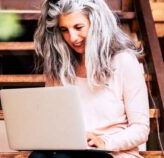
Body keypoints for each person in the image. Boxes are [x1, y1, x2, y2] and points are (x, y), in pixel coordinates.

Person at [30, 0, 150, 157]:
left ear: (97, 24)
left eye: (78, 27)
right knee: (38, 156)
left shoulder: (123, 61)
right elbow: (52, 121)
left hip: (112, 153)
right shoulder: (60, 67)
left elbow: (140, 129)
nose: (72, 38)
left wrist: (104, 142)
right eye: (64, 30)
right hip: (70, 150)